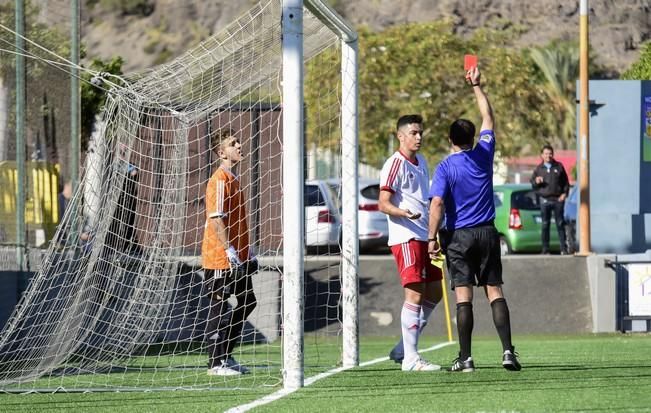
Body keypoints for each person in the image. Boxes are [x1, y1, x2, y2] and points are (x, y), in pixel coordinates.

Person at [428, 66, 521, 372]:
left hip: (458, 236)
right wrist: (477, 86)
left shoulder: (444, 168)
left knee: (464, 297)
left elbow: (438, 202)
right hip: (487, 233)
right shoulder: (484, 153)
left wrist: (431, 238)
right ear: (472, 137)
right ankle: (508, 351)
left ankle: (466, 358)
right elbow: (489, 118)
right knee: (495, 290)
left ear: (450, 139)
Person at [378, 114, 443, 372]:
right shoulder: (395, 164)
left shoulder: (422, 161)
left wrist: (432, 235)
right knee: (415, 293)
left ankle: (404, 347)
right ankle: (411, 359)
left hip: (423, 236)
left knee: (435, 292)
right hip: (406, 237)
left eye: (420, 133)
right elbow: (383, 202)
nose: (419, 137)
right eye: (414, 133)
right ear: (400, 135)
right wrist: (402, 213)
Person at [201, 128, 258, 376]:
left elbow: (238, 222)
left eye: (239, 142)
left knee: (248, 301)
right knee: (218, 305)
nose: (239, 146)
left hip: (237, 256)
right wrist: (229, 250)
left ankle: (225, 355)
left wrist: (248, 251)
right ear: (220, 152)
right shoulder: (218, 181)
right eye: (233, 143)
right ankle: (215, 363)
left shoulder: (234, 179)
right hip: (219, 258)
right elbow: (216, 220)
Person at [530, 144, 570, 254]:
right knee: (545, 225)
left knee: (560, 224)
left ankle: (563, 248)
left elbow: (566, 183)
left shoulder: (559, 166)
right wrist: (536, 182)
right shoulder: (539, 169)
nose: (548, 156)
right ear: (542, 155)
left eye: (550, 153)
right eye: (546, 154)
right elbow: (533, 184)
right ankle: (545, 249)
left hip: (558, 200)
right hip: (545, 200)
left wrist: (564, 194)